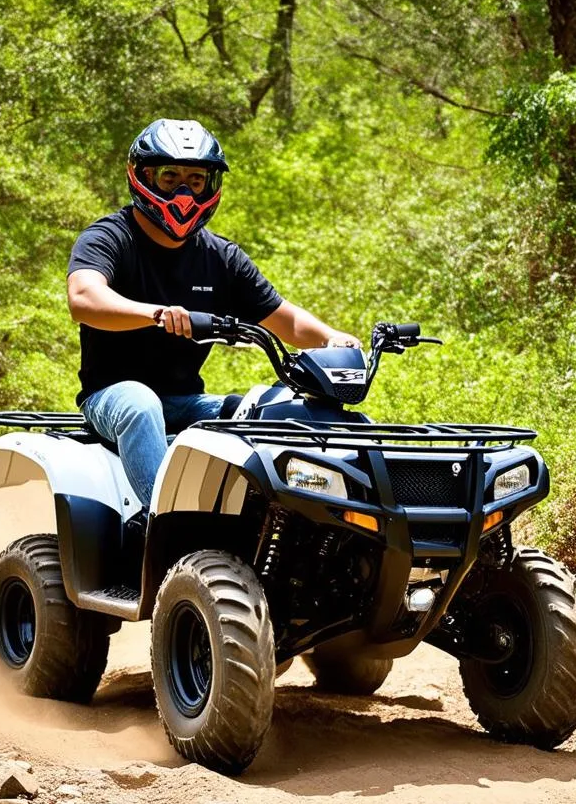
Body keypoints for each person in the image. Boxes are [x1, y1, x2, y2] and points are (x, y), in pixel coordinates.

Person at [67, 117, 359, 510]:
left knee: (269, 407)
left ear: (211, 185)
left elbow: (284, 318)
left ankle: (273, 525)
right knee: (140, 403)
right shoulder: (110, 237)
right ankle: (165, 524)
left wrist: (331, 338)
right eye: (170, 177)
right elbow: (84, 299)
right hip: (112, 396)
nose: (184, 191)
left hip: (187, 399)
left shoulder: (220, 257)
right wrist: (155, 313)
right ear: (143, 177)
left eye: (196, 179)